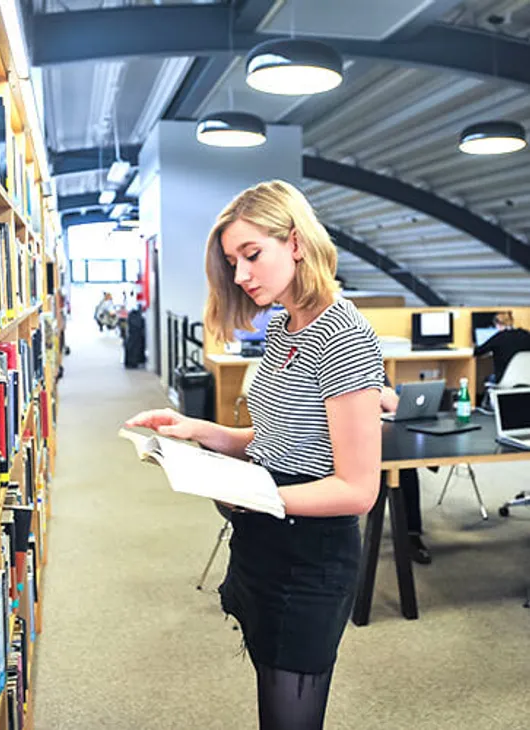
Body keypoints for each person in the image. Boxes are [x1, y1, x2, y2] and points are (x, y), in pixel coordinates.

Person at [126, 180, 384, 730]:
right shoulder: (288, 325)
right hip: (265, 543)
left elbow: (359, 489)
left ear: (294, 242)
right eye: (232, 261)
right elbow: (275, 440)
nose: (241, 275)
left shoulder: (343, 334)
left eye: (251, 255)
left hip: (309, 556)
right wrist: (198, 429)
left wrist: (257, 496)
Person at [380, 384, 431, 564]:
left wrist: (384, 395)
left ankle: (411, 534)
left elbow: (393, 402)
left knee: (405, 464)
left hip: (377, 430)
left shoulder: (373, 363)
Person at [474, 311, 530, 383]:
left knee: (487, 378)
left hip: (504, 380)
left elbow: (478, 352)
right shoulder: (525, 334)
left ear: (498, 324)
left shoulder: (499, 337)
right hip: (526, 379)